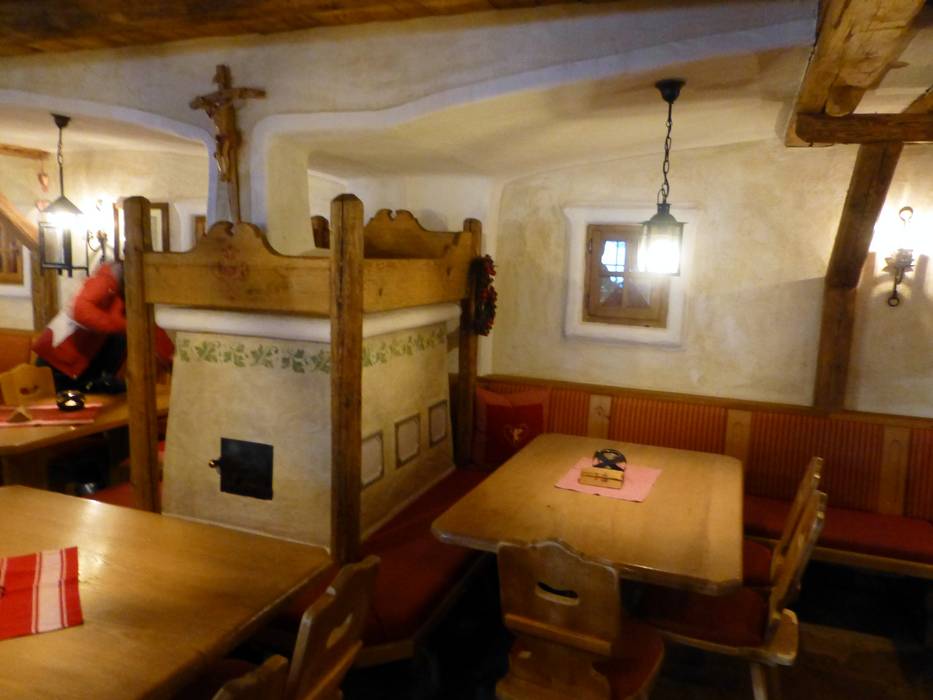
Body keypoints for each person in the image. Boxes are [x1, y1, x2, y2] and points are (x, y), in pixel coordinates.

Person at [32, 261, 174, 392]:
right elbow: (81, 310)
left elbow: (147, 327)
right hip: (59, 366)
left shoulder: (125, 294)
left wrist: (173, 360)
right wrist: (126, 326)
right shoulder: (105, 281)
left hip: (80, 368)